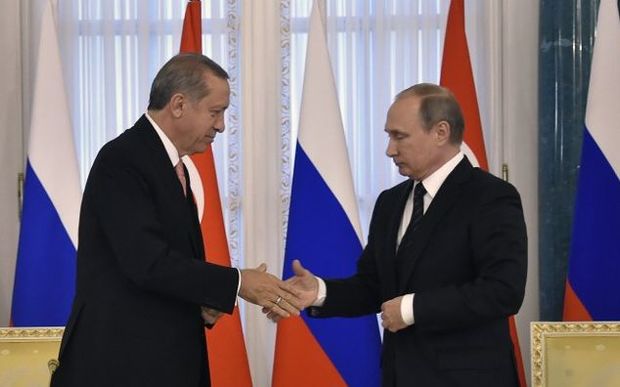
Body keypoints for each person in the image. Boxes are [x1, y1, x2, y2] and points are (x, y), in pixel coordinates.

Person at [51, 53, 300, 387]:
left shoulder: (172, 167)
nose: (221, 126)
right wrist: (238, 282)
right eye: (215, 112)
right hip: (120, 366)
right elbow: (148, 263)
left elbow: (161, 269)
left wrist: (198, 304)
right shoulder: (123, 159)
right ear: (179, 104)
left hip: (159, 362)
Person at [283, 83, 527, 386]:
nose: (390, 150)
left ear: (440, 132)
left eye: (399, 136)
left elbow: (503, 291)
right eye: (389, 136)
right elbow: (375, 286)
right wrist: (319, 292)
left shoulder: (490, 197)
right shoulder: (391, 201)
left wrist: (413, 309)